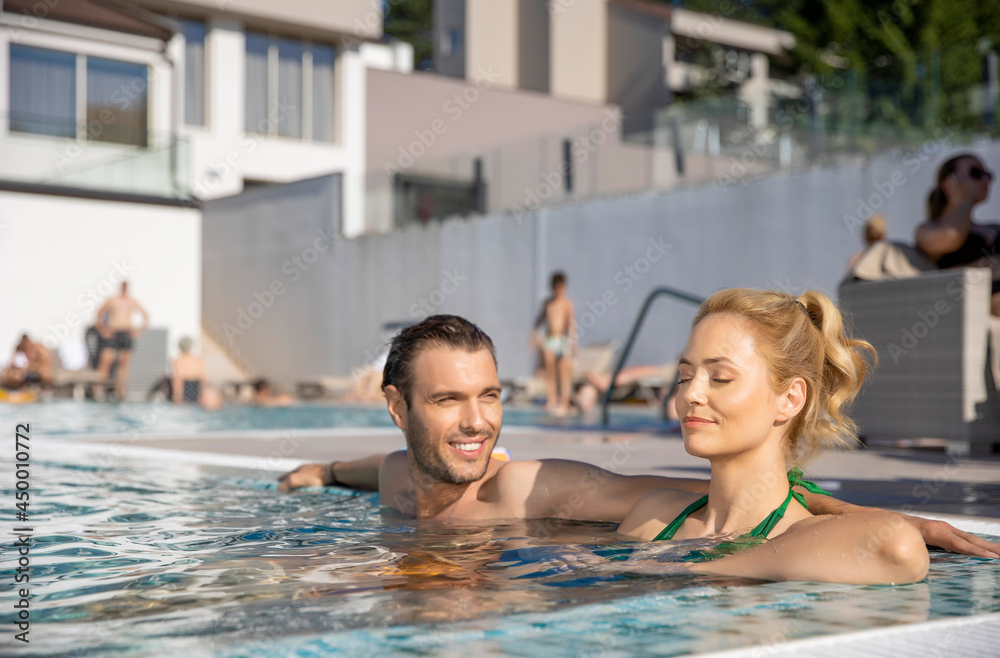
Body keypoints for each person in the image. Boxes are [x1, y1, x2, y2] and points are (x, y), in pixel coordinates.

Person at [278, 314, 999, 565]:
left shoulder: (526, 488)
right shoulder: (403, 475)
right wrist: (319, 469)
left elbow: (717, 496)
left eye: (489, 396)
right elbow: (375, 468)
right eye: (448, 401)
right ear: (398, 407)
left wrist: (901, 521)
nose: (476, 422)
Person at [616, 289, 930, 583]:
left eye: (720, 378)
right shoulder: (655, 514)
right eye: (685, 377)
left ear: (790, 399)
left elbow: (900, 548)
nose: (690, 394)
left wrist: (695, 570)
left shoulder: (800, 533)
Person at [915, 154, 1000, 316]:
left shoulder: (991, 226)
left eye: (988, 174)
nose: (986, 180)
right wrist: (963, 199)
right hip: (981, 305)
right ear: (948, 184)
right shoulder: (927, 229)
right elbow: (952, 236)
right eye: (975, 173)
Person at [531, 272, 577, 416]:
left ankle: (564, 402)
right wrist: (533, 338)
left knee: (563, 371)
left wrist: (573, 343)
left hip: (562, 340)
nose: (558, 291)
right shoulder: (547, 304)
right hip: (550, 339)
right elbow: (538, 322)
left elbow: (571, 324)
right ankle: (551, 400)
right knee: (549, 371)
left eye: (561, 288)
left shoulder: (567, 303)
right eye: (556, 288)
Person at [95, 281, 149, 399]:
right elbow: (98, 314)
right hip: (113, 332)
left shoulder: (131, 301)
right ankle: (98, 390)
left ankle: (120, 391)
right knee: (106, 361)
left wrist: (139, 331)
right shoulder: (113, 300)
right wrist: (103, 329)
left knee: (124, 363)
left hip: (126, 333)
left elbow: (146, 316)